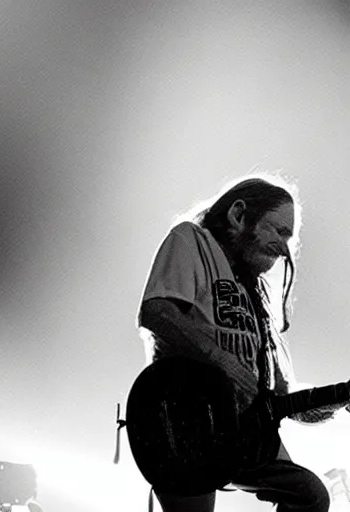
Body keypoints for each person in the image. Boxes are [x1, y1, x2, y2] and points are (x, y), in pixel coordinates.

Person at [136, 175, 343, 512]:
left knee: (310, 497)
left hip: (242, 432)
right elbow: (156, 312)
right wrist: (223, 361)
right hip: (182, 419)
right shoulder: (191, 240)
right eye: (279, 231)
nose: (285, 246)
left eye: (289, 237)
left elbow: (278, 397)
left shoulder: (255, 294)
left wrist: (335, 401)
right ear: (238, 215)